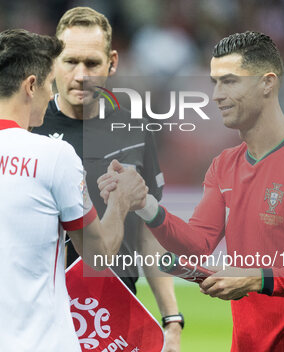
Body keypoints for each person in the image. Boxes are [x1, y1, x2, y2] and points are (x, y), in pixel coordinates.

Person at [99, 31, 284, 352]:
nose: (216, 95)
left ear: (267, 83)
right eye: (215, 82)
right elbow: (198, 244)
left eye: (230, 81)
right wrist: (144, 204)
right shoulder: (225, 165)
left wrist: (256, 278)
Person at [0, 28, 147, 351]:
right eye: (49, 85)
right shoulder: (54, 157)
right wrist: (120, 202)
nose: (52, 96)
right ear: (31, 85)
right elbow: (97, 255)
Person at [31, 8, 182, 349]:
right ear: (53, 61)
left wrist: (171, 318)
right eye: (70, 62)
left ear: (112, 62)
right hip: (43, 320)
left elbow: (148, 232)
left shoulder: (136, 130)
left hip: (114, 320)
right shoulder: (29, 129)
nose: (81, 74)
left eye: (92, 63)